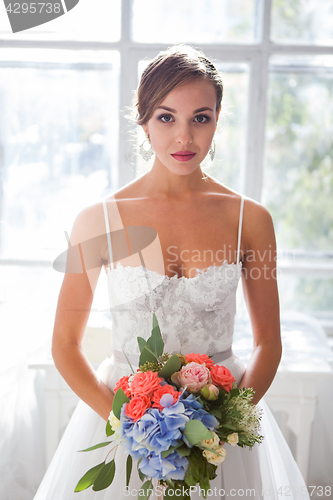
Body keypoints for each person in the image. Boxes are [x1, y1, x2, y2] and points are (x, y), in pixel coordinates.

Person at [33, 45, 310, 499]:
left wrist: (223, 427)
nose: (184, 137)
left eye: (200, 117)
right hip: (123, 423)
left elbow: (268, 343)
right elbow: (64, 345)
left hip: (222, 429)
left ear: (218, 119)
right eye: (166, 118)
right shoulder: (99, 220)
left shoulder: (250, 220)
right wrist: (128, 425)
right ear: (143, 120)